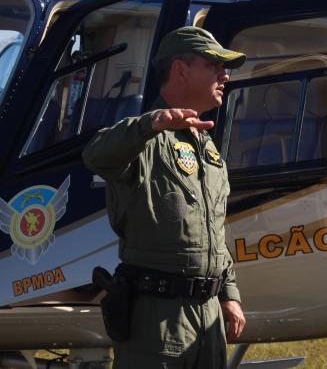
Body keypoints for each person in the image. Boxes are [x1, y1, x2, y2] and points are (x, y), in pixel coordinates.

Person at [83, 26, 247, 368]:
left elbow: (212, 233)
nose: (224, 75)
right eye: (213, 65)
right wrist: (151, 124)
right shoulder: (143, 138)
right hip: (158, 320)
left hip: (208, 317)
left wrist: (228, 294)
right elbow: (96, 155)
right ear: (180, 70)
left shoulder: (207, 146)